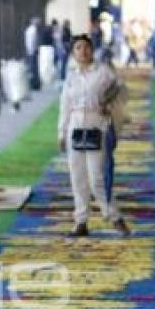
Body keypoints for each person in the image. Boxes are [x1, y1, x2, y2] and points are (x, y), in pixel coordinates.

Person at [57, 34, 130, 238]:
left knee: (97, 176)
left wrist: (110, 105)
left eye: (86, 47)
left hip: (97, 125)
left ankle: (115, 217)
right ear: (73, 53)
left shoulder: (103, 71)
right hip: (75, 127)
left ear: (92, 49)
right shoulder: (70, 76)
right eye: (78, 48)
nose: (83, 51)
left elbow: (122, 90)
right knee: (77, 177)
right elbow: (65, 106)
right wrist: (61, 133)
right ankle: (81, 222)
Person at [25, 17, 42, 90]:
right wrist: (33, 49)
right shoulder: (33, 30)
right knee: (34, 68)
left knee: (33, 68)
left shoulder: (29, 29)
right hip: (32, 51)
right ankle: (34, 84)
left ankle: (34, 83)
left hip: (31, 50)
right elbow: (32, 41)